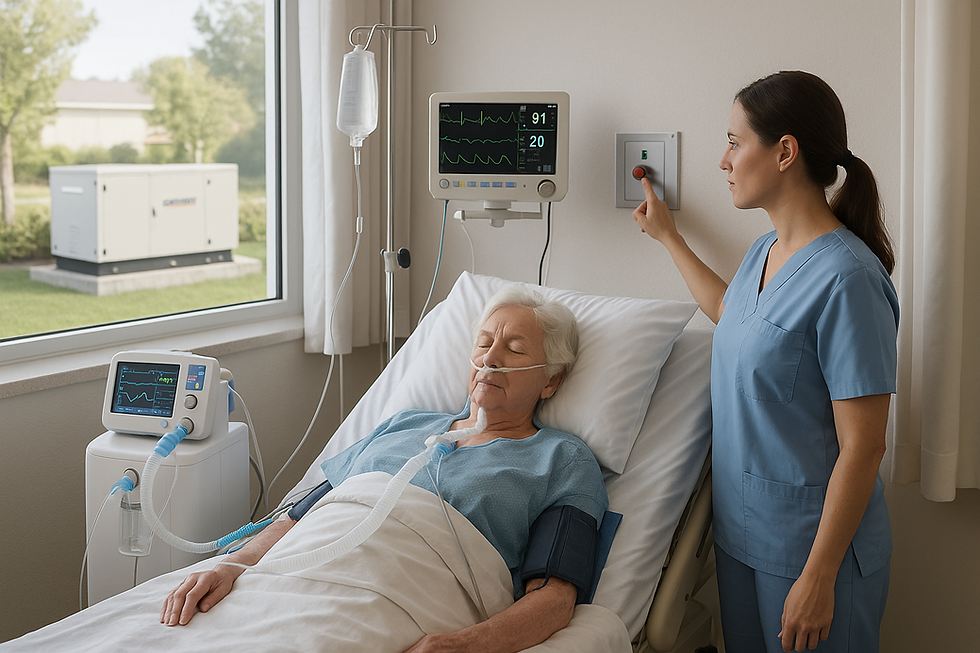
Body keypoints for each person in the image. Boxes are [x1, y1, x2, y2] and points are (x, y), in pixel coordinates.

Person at [160, 285, 608, 653]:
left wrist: (464, 645)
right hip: (290, 579)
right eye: (485, 342)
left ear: (551, 379)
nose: (490, 358)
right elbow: (304, 515)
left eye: (514, 349)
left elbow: (553, 598)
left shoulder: (561, 459)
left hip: (400, 597)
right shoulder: (407, 423)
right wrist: (232, 564)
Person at [632, 71, 897, 653]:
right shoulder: (765, 251)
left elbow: (865, 445)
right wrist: (670, 238)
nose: (723, 160)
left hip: (812, 554)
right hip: (743, 538)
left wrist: (820, 576)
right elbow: (733, 315)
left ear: (784, 151)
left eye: (733, 141)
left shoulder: (848, 280)